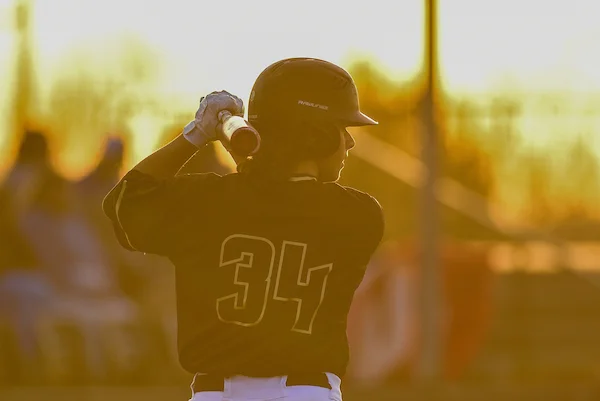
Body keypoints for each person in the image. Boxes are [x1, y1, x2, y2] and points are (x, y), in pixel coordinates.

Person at [103, 57, 384, 401]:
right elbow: (280, 200)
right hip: (306, 392)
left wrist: (197, 135)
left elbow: (124, 203)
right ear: (315, 135)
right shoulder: (360, 214)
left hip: (214, 394)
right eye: (341, 129)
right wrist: (255, 161)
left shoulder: (208, 201)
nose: (349, 143)